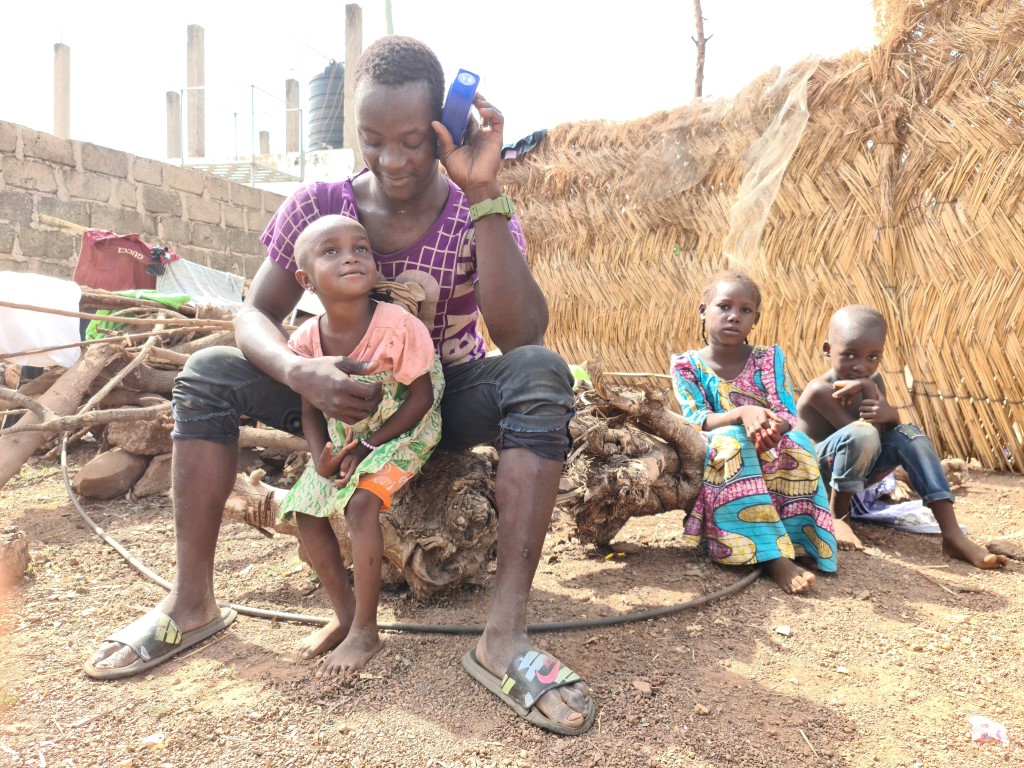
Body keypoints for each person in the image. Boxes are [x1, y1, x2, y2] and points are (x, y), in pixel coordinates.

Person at [86, 36, 595, 736]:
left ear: (447, 127)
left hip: (438, 400)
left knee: (542, 373)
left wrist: (484, 193)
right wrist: (302, 373)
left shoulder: (472, 212)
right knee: (205, 376)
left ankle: (502, 638)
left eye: (413, 141)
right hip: (332, 394)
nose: (391, 161)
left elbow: (523, 334)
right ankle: (191, 602)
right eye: (372, 139)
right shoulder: (319, 204)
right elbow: (253, 314)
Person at [279, 214, 443, 676]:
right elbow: (311, 406)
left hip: (407, 427)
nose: (350, 255)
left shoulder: (398, 326)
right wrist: (321, 457)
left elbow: (423, 398)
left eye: (361, 248)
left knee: (361, 505)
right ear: (305, 280)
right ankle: (346, 617)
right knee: (307, 510)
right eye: (330, 251)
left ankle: (367, 633)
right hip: (347, 437)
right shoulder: (305, 340)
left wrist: (369, 445)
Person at [794, 304, 1008, 569]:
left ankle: (952, 534)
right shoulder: (820, 390)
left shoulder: (872, 381)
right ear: (828, 349)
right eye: (849, 355)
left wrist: (883, 403)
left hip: (855, 469)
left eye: (872, 357)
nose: (861, 366)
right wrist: (871, 391)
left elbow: (887, 433)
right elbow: (863, 434)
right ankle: (838, 517)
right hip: (811, 475)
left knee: (911, 435)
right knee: (862, 433)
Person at [670, 271, 838, 593]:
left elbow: (786, 409)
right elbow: (695, 418)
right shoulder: (686, 364)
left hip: (767, 441)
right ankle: (770, 556)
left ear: (755, 319)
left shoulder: (768, 358)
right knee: (736, 442)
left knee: (799, 442)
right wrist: (741, 414)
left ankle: (801, 543)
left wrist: (777, 429)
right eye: (724, 306)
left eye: (746, 310)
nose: (734, 316)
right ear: (703, 310)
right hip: (719, 442)